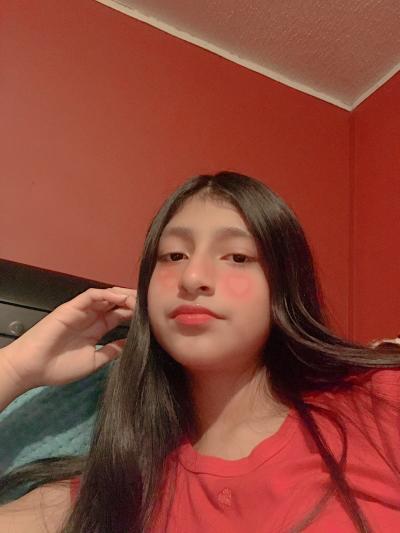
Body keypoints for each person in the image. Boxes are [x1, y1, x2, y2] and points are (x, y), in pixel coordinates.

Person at [0, 171, 399, 533]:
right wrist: (16, 367)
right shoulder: (115, 493)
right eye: (174, 256)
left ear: (285, 287)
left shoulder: (381, 402)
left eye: (237, 257)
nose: (192, 277)